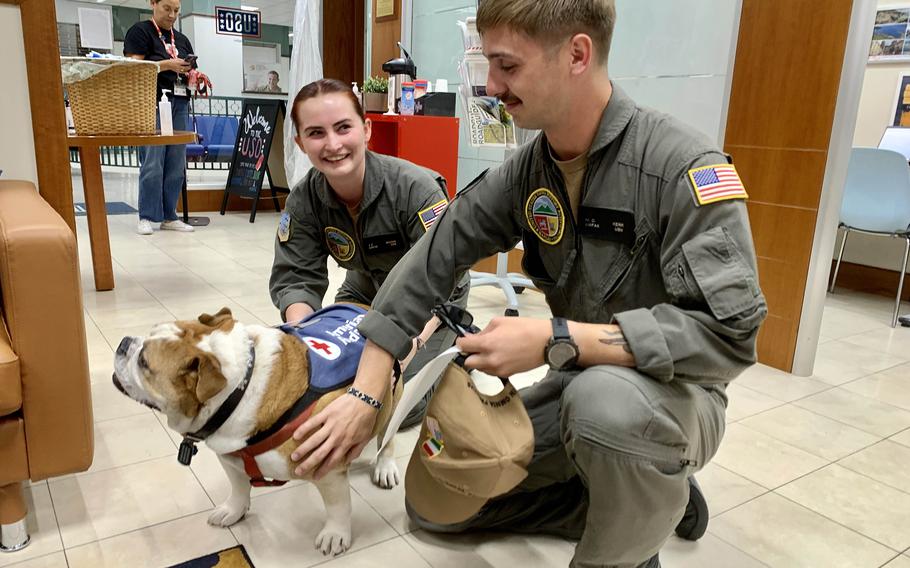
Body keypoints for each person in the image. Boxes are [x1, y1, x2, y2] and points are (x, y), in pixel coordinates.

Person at [288, 2, 768, 567]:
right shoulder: (529, 169)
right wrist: (366, 397)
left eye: (506, 66)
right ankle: (623, 500)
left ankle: (626, 549)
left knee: (602, 405)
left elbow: (730, 337)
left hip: (674, 392)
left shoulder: (680, 166)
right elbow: (430, 262)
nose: (491, 86)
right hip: (577, 382)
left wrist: (554, 339)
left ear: (577, 54)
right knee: (441, 499)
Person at [270, 78, 470, 428]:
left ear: (365, 130)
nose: (333, 144)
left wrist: (406, 353)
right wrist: (304, 344)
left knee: (395, 404)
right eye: (316, 133)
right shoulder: (303, 201)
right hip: (364, 288)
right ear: (300, 143)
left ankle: (457, 347)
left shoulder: (415, 190)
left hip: (433, 304)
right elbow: (297, 276)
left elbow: (444, 278)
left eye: (343, 127)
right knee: (333, 378)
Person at [124, 0, 196, 235]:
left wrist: (195, 74)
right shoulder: (140, 31)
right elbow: (132, 68)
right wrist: (167, 64)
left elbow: (188, 69)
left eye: (176, 11)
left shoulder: (182, 39)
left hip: (180, 102)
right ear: (153, 3)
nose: (172, 15)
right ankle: (146, 215)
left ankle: (169, 215)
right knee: (153, 160)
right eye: (167, 8)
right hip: (151, 103)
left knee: (176, 162)